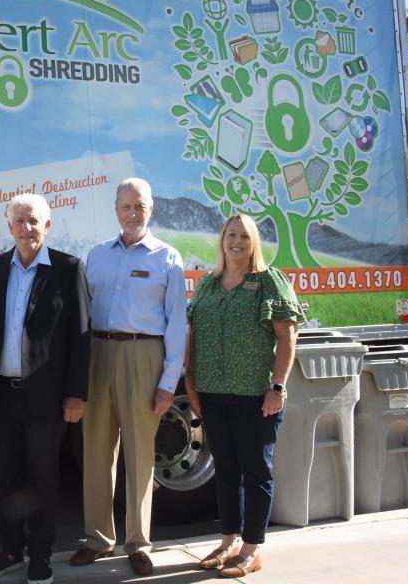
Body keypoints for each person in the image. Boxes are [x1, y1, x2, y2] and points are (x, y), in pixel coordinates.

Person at [0, 194, 91, 584]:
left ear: (47, 226)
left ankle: (40, 555)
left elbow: (80, 337)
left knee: (42, 479)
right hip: (2, 393)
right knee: (7, 478)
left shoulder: (69, 269)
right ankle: (8, 551)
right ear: (9, 226)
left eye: (34, 221)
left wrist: (76, 393)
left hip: (47, 396)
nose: (26, 228)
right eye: (19, 221)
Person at [71, 177, 186, 577]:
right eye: (125, 206)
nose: (132, 213)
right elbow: (82, 315)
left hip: (144, 354)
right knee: (96, 452)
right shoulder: (97, 256)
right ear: (116, 209)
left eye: (139, 206)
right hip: (99, 354)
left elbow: (176, 326)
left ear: (150, 208)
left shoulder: (167, 258)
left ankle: (138, 542)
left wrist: (168, 382)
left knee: (139, 453)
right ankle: (98, 539)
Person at [185, 213, 304, 578]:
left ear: (254, 243)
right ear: (222, 240)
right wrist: (190, 385)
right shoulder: (207, 284)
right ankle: (228, 541)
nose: (236, 242)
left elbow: (288, 337)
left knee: (256, 472)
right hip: (212, 393)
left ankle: (252, 548)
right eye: (230, 235)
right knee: (225, 471)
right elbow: (194, 337)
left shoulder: (269, 281)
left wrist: (277, 388)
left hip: (255, 395)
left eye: (244, 237)